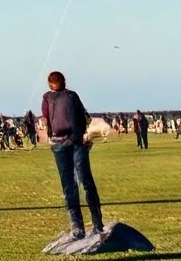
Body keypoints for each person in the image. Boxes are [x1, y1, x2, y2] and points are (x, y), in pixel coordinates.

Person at [42, 71, 104, 245]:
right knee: (72, 184)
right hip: (64, 143)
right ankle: (79, 226)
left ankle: (95, 224)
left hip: (73, 143)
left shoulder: (64, 96)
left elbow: (83, 117)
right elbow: (84, 117)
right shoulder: (51, 98)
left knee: (82, 181)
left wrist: (83, 135)